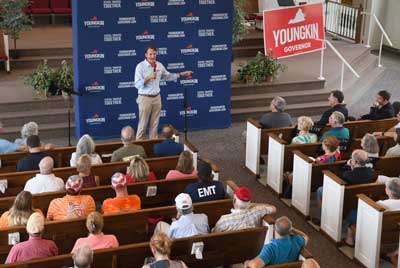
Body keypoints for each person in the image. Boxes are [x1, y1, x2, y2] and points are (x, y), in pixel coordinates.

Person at [134, 45, 192, 139]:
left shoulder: (159, 65)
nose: (152, 56)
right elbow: (137, 84)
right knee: (143, 124)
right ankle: (138, 145)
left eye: (154, 54)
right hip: (144, 98)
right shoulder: (140, 67)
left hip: (157, 97)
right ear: (146, 55)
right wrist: (148, 78)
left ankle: (152, 145)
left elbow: (167, 76)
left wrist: (181, 74)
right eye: (150, 54)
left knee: (155, 124)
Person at [344, 177, 400, 247]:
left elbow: (368, 216)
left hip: (377, 233)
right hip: (395, 234)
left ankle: (349, 240)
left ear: (388, 191)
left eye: (386, 187)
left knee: (353, 214)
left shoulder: (381, 205)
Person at [243, 216, 308, 267]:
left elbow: (255, 265)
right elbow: (306, 237)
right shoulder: (297, 240)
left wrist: (248, 262)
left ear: (274, 229)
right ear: (290, 230)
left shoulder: (270, 248)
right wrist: (293, 229)